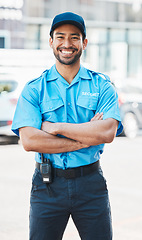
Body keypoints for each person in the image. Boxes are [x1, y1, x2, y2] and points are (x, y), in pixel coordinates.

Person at [12, 12, 123, 240]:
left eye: (74, 37)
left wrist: (55, 127)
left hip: (91, 184)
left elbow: (107, 132)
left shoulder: (102, 86)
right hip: (47, 187)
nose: (67, 44)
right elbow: (31, 141)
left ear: (84, 43)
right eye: (60, 37)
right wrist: (86, 137)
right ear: (51, 41)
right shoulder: (34, 89)